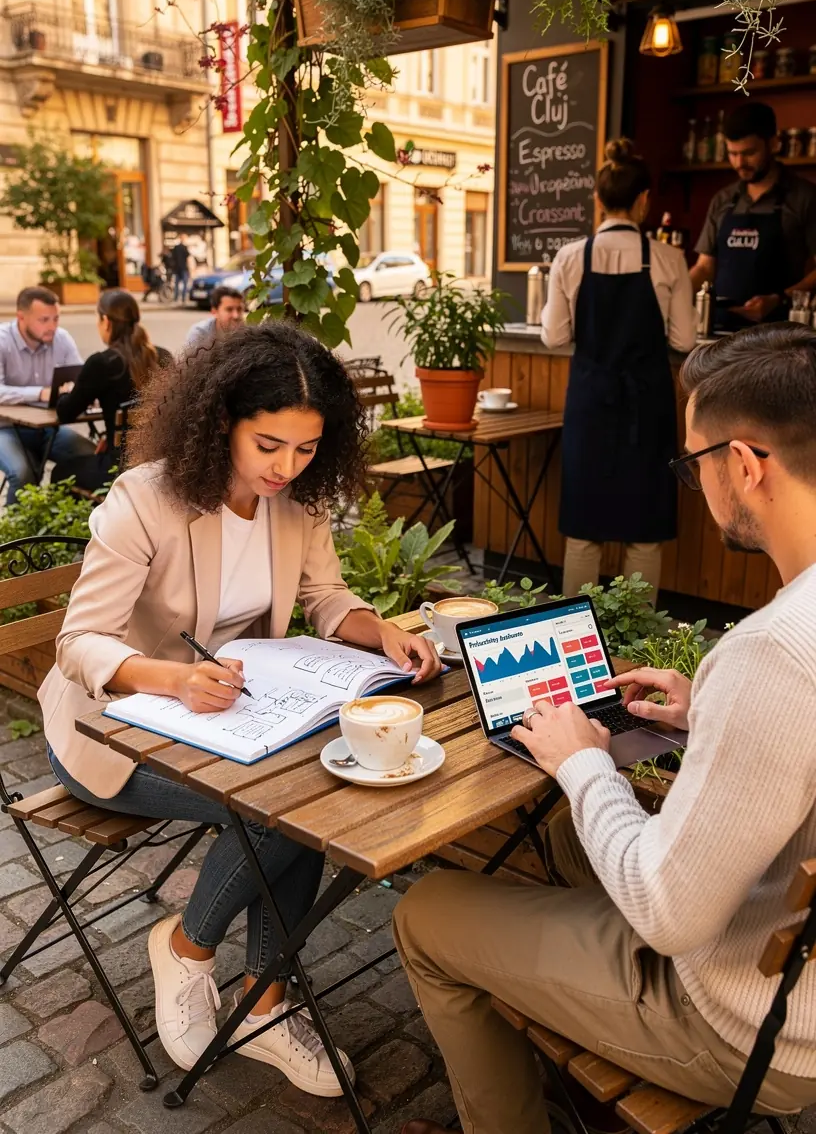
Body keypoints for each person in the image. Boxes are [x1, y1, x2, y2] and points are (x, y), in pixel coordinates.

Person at [394, 323, 816, 1134]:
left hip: (749, 1025)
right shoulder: (783, 653)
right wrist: (707, 712)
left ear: (745, 464)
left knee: (426, 914)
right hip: (791, 975)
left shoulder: (772, 653)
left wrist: (582, 760)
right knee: (561, 837)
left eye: (694, 463)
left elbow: (667, 912)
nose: (695, 482)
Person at [38, 322, 441, 1091]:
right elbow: (77, 644)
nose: (287, 467)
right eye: (269, 445)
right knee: (282, 809)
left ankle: (262, 1003)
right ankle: (189, 950)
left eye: (307, 448)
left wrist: (381, 631)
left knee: (317, 786)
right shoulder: (145, 501)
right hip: (114, 728)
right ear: (221, 421)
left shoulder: (295, 501)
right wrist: (174, 679)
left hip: (239, 713)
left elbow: (326, 596)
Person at [541, 138, 696, 600]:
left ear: (598, 199)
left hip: (590, 401)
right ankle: (638, 633)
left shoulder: (569, 257)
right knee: (643, 530)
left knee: (584, 529)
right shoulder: (669, 259)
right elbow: (684, 341)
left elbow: (554, 336)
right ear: (644, 200)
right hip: (647, 404)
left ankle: (575, 633)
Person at [690, 102, 816, 332]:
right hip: (720, 332)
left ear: (774, 144)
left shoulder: (804, 197)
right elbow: (704, 267)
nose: (740, 163)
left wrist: (780, 298)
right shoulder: (723, 200)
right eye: (733, 153)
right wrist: (672, 293)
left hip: (778, 336)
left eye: (749, 153)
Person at [51, 289, 170, 493]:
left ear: (106, 321)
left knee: (60, 472)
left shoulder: (102, 363)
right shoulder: (163, 356)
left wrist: (63, 392)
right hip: (161, 464)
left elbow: (66, 413)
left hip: (121, 469)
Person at [0, 286, 95, 504]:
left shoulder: (61, 338)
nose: (52, 326)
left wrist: (79, 389)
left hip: (48, 429)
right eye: (44, 320)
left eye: (56, 318)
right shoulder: (2, 340)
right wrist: (41, 393)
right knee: (23, 473)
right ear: (21, 317)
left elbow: (80, 378)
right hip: (4, 428)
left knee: (91, 458)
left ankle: (68, 518)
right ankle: (17, 526)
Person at [186, 285, 246, 350]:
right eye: (229, 309)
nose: (236, 315)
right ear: (214, 312)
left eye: (239, 309)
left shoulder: (248, 332)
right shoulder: (200, 333)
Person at [170, 234, 191, 303]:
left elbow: (172, 258)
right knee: (184, 284)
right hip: (183, 268)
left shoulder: (176, 248)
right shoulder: (184, 248)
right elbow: (188, 258)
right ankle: (183, 298)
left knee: (177, 284)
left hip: (177, 269)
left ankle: (176, 298)